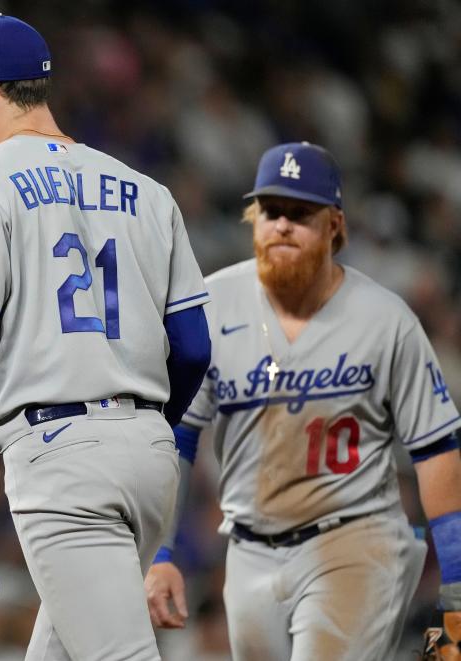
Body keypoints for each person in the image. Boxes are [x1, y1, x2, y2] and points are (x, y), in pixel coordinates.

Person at [0, 14, 212, 660]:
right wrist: (147, 423)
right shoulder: (148, 191)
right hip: (150, 456)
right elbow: (193, 347)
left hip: (64, 459)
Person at [145, 141, 461, 660]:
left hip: (357, 538)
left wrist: (454, 589)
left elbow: (434, 451)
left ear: (335, 224)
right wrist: (160, 552)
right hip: (249, 550)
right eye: (271, 212)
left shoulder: (385, 319)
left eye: (300, 213)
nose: (283, 225)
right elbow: (176, 437)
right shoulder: (212, 304)